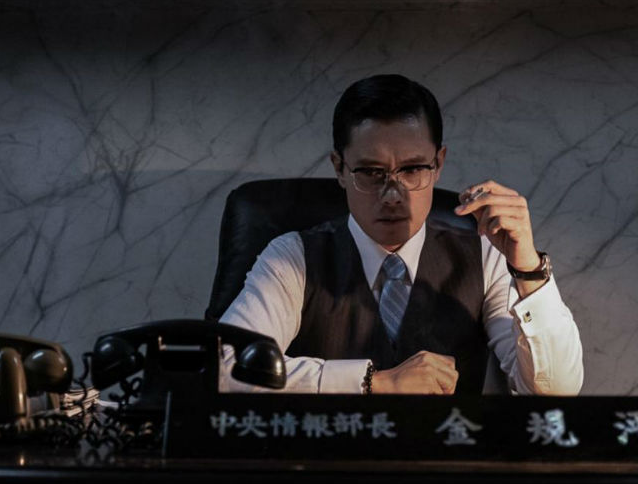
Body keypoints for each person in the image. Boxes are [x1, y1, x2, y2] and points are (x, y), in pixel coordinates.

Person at [219, 74, 583, 395]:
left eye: (412, 170)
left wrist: (528, 269)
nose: (393, 195)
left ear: (438, 164)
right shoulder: (293, 257)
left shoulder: (484, 256)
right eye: (370, 172)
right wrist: (371, 383)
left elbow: (555, 390)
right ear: (340, 169)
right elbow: (225, 370)